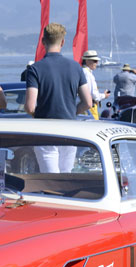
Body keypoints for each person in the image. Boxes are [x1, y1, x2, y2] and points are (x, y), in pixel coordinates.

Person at [24, 23, 91, 172]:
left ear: (43, 41)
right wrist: (71, 112)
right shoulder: (76, 67)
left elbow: (29, 106)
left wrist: (42, 114)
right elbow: (88, 102)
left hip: (45, 129)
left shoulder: (35, 69)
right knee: (65, 178)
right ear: (63, 42)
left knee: (50, 179)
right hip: (69, 128)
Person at [80, 50, 109, 119]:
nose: (97, 63)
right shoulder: (88, 74)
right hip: (90, 107)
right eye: (95, 61)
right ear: (87, 61)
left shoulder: (82, 71)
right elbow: (94, 95)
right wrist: (104, 96)